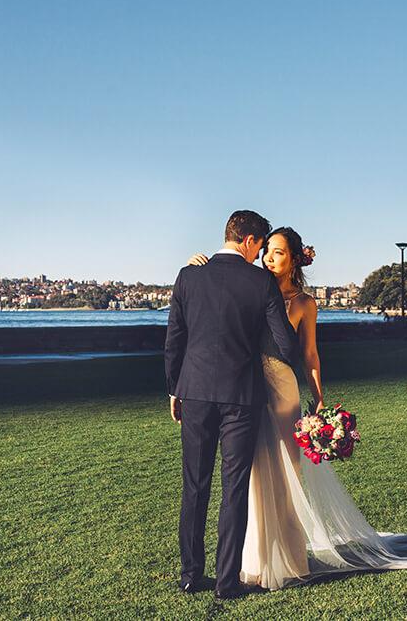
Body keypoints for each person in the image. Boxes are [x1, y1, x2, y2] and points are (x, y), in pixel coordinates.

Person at [186, 226, 407, 591]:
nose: (267, 258)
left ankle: (288, 559)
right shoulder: (251, 284)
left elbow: (309, 354)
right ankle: (253, 560)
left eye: (277, 252)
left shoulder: (305, 303)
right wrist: (197, 265)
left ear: (295, 259)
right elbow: (215, 296)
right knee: (251, 479)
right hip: (244, 391)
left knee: (285, 477)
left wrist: (320, 397)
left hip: (280, 391)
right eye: (266, 252)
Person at [165, 210, 300, 600]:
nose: (260, 256)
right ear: (250, 241)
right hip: (242, 396)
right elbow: (286, 345)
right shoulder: (261, 282)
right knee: (234, 488)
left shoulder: (189, 275)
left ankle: (191, 574)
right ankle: (227, 583)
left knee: (195, 486)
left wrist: (175, 390)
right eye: (260, 247)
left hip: (194, 392)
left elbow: (175, 338)